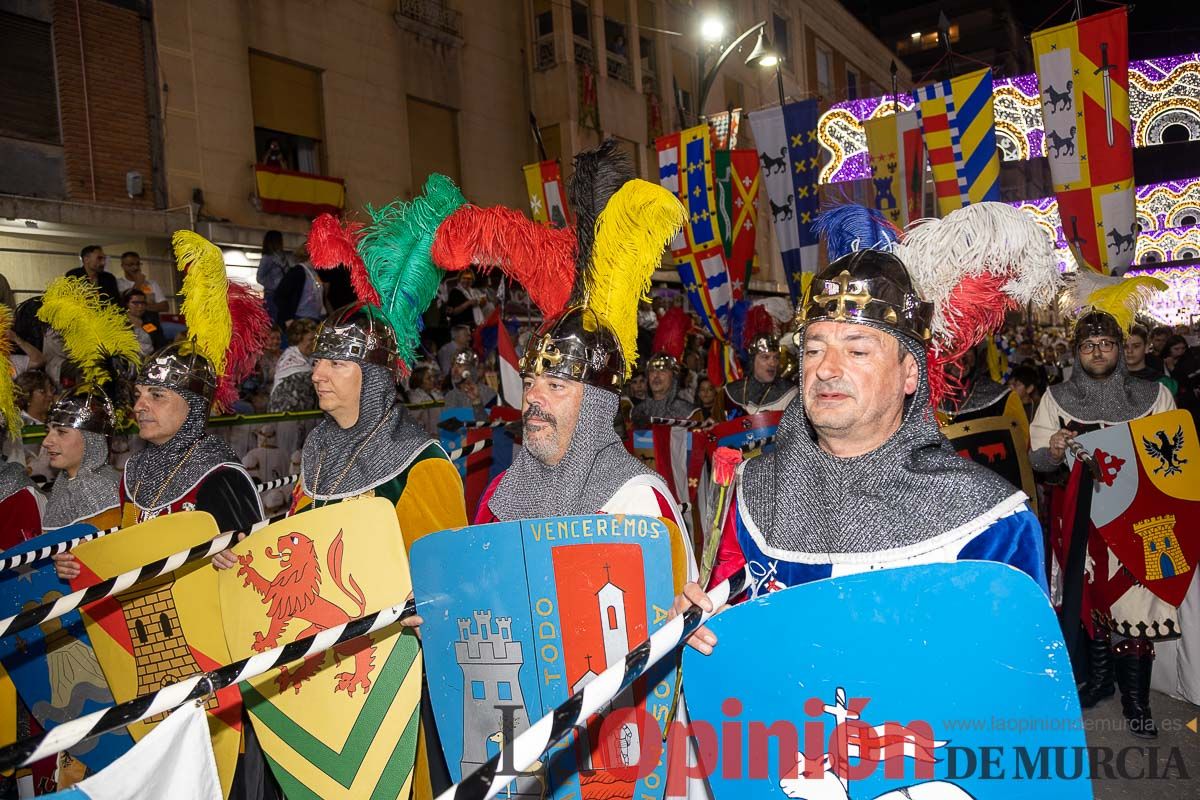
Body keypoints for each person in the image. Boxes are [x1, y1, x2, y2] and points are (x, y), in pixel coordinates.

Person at [1029, 304, 1176, 738]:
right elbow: (1038, 460)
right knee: (1087, 598)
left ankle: (1137, 701)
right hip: (1081, 517)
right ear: (1077, 352)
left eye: (1106, 344)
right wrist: (1054, 449)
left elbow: (1175, 457)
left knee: (1138, 606)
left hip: (1140, 517)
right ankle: (1098, 680)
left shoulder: (1153, 398)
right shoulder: (1057, 398)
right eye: (1089, 346)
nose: (1098, 352)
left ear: (1120, 350)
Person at [39, 390, 122, 531]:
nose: (46, 442)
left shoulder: (98, 487)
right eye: (48, 432)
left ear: (91, 440)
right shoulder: (65, 481)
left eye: (62, 432)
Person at [630, 306, 698, 427]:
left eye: (663, 371)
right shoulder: (636, 413)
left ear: (674, 377)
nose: (656, 375)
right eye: (652, 371)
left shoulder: (689, 413)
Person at [939, 344, 1020, 424]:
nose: (961, 358)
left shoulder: (1002, 398)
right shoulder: (928, 397)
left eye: (967, 349)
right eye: (950, 350)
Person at [723, 332, 797, 416]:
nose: (772, 363)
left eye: (776, 357)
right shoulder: (729, 393)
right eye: (765, 357)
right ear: (752, 360)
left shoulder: (790, 394)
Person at [268, 318, 319, 412]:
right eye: (311, 339)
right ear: (298, 339)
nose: (314, 343)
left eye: (316, 339)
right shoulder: (289, 358)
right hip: (285, 413)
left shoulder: (310, 357)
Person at [442, 349, 496, 421]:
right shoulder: (449, 396)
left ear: (471, 369)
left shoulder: (488, 393)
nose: (454, 370)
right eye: (452, 366)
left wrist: (477, 401)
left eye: (460, 366)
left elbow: (491, 424)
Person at [256, 230, 290, 323]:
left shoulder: (283, 257)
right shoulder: (267, 258)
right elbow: (259, 277)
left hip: (282, 294)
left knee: (281, 321)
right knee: (273, 321)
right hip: (272, 295)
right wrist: (273, 285)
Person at [122, 288, 166, 356]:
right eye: (135, 303)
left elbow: (160, 343)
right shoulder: (120, 323)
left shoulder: (150, 320)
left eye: (143, 303)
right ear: (126, 304)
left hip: (152, 359)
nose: (140, 306)